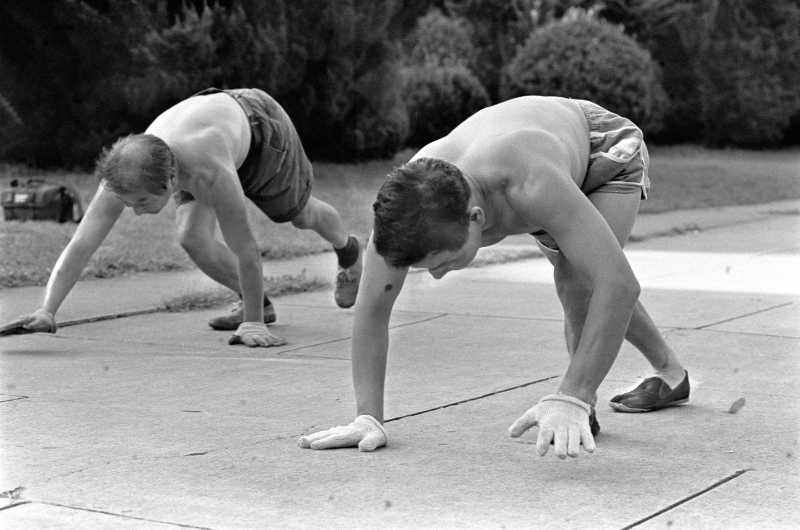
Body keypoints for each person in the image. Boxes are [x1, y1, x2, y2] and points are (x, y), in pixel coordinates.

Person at [298, 96, 690, 458]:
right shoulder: (404, 213)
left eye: (443, 262)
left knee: (579, 281)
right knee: (590, 273)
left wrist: (572, 395)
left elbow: (618, 285)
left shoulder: (530, 184)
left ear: (476, 219)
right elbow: (371, 310)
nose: (436, 275)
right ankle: (671, 373)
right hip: (541, 159)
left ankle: (579, 403)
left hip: (601, 148)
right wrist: (367, 417)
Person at [8, 88, 363, 347]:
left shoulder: (209, 172)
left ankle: (346, 249)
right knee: (192, 236)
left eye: (142, 202)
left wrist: (253, 327)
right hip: (203, 137)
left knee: (300, 215)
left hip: (259, 131)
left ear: (171, 181)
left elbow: (245, 248)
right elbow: (81, 244)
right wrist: (47, 310)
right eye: (129, 203)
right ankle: (257, 303)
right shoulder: (126, 173)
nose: (136, 211)